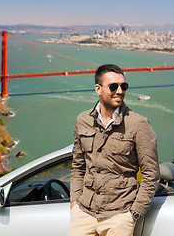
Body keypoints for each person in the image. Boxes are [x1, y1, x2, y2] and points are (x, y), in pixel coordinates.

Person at [68, 64, 160, 236]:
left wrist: (133, 214)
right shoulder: (82, 120)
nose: (120, 91)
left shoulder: (139, 124)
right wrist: (75, 202)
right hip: (84, 213)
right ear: (98, 89)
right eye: (113, 86)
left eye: (123, 86)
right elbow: (78, 166)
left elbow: (151, 174)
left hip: (120, 216)